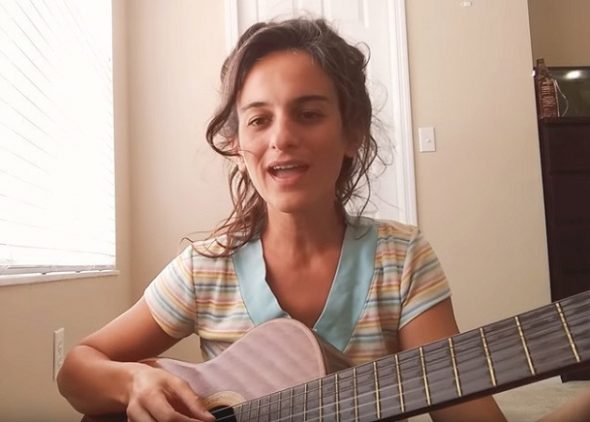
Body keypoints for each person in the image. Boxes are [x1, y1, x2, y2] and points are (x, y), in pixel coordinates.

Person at [57, 18, 507, 421]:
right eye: (259, 120)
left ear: (352, 132)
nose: (283, 137)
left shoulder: (402, 260)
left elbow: (463, 410)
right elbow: (77, 368)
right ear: (236, 147)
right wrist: (134, 382)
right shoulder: (205, 269)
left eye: (308, 114)